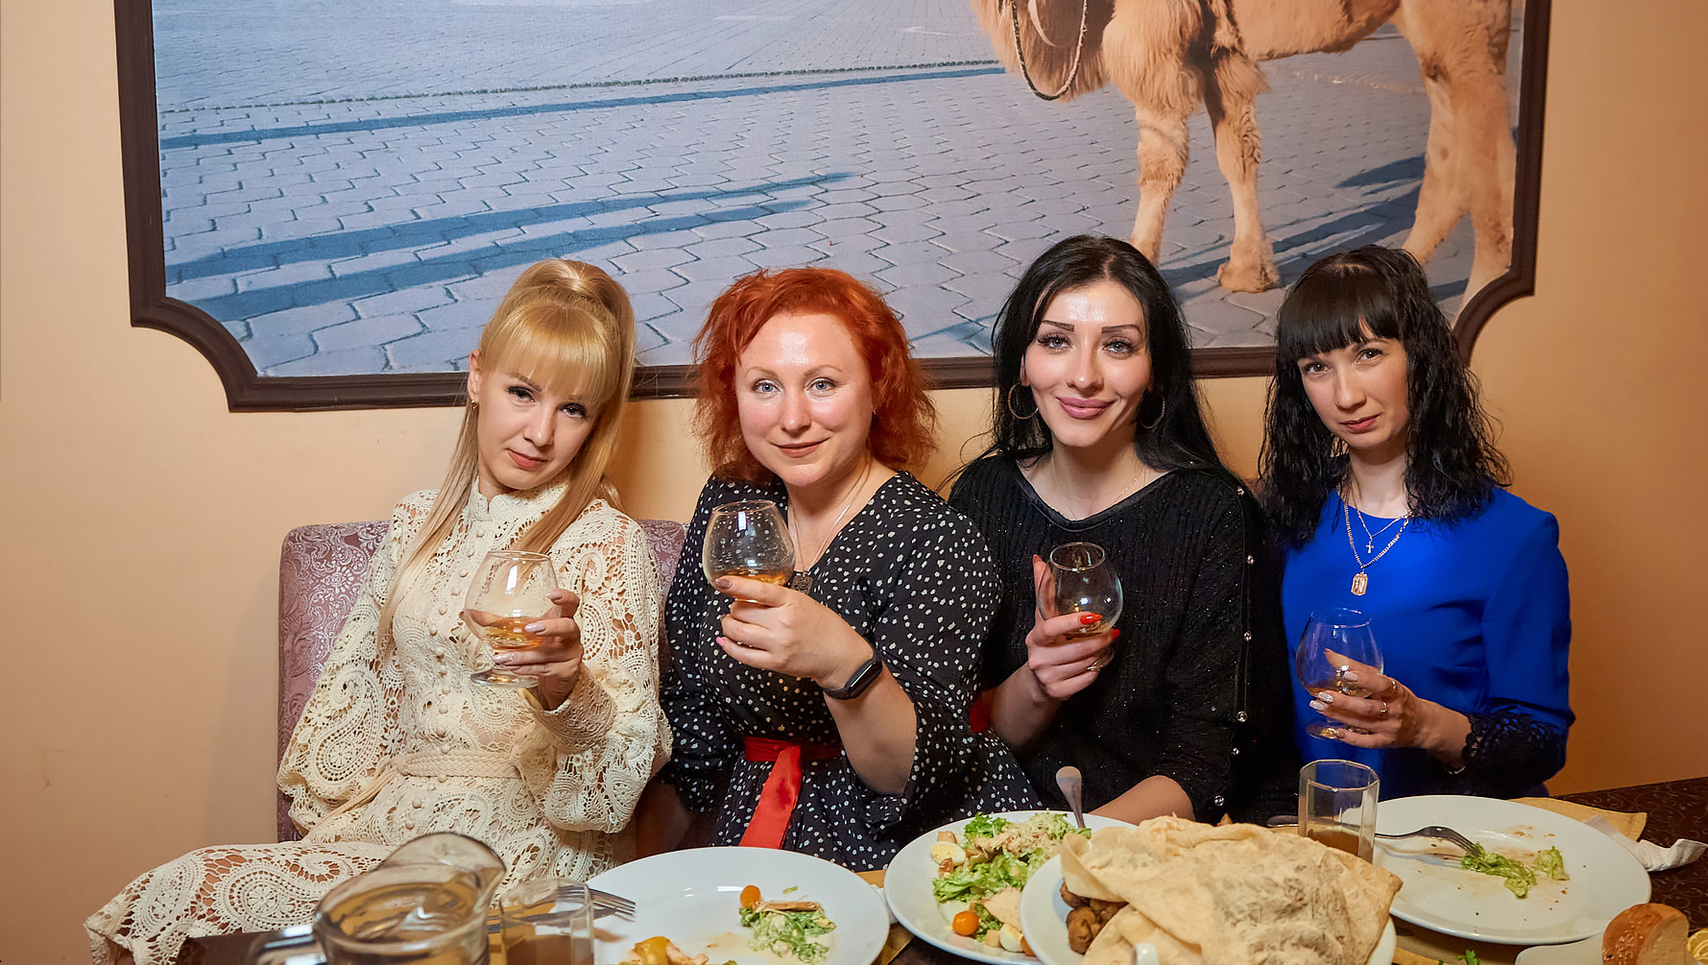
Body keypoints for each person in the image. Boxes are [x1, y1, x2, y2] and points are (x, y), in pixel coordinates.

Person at [88, 261, 669, 965]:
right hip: (390, 831)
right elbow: (356, 701)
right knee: (178, 894)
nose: (540, 432)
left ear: (596, 423)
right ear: (477, 377)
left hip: (533, 847)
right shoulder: (414, 526)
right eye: (522, 392)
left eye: (573, 409)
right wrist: (339, 841)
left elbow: (615, 784)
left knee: (420, 944)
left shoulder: (609, 543)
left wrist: (564, 691)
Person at [641, 268, 1035, 867]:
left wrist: (843, 664)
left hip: (895, 841)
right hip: (746, 816)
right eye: (764, 386)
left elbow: (910, 775)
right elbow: (694, 712)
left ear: (878, 388)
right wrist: (645, 877)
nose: (792, 418)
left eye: (822, 384)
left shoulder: (940, 538)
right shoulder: (731, 503)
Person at [949, 236, 1256, 823]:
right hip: (994, 836)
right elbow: (962, 740)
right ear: (1022, 362)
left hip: (1142, 848)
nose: (1084, 376)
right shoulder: (981, 495)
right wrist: (1038, 683)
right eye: (1056, 341)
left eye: (1117, 346)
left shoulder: (1214, 512)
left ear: (1156, 371)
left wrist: (1075, 855)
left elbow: (1204, 766)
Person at [1259, 245, 1571, 799]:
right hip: (1318, 832)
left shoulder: (1515, 537)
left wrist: (1423, 725)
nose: (1346, 395)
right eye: (1317, 368)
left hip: (1450, 836)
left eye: (1369, 354)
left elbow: (1541, 743)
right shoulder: (1285, 514)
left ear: (1420, 357)